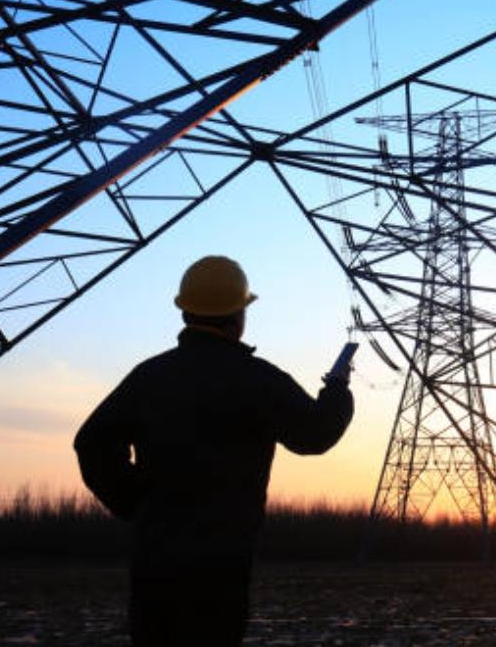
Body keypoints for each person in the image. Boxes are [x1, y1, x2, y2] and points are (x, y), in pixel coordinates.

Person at [74, 255, 355, 646]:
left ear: (186, 312)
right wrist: (338, 389)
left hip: (155, 560)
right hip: (222, 563)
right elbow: (315, 433)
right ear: (237, 316)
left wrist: (135, 502)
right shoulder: (257, 380)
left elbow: (91, 443)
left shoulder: (149, 376)